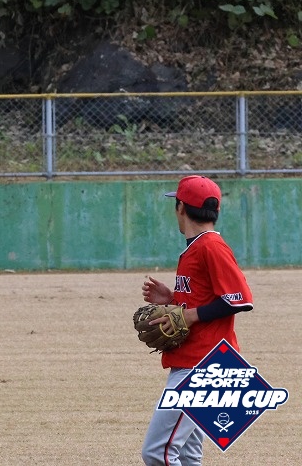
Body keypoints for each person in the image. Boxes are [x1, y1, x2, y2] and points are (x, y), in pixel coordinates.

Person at [140, 175, 253, 466]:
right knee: (187, 457)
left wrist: (188, 315)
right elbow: (207, 298)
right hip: (197, 361)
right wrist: (173, 299)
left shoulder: (210, 246)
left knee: (158, 452)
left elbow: (240, 299)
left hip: (203, 365)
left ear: (180, 207)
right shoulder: (199, 246)